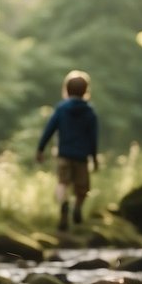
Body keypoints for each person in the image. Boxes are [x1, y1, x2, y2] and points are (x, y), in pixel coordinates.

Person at [36, 69, 99, 231]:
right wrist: (94, 157)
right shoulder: (90, 111)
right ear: (86, 91)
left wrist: (41, 148)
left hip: (64, 154)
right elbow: (93, 137)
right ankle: (77, 206)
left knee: (62, 183)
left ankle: (64, 204)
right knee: (82, 188)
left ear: (67, 89)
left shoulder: (61, 109)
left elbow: (49, 129)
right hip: (81, 156)